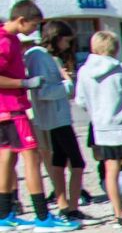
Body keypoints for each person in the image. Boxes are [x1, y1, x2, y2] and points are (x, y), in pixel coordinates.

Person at [0, 0, 79, 232]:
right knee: (32, 158)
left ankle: (4, 215)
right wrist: (24, 83)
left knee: (7, 158)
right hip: (12, 108)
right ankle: (43, 218)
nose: (36, 30)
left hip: (5, 109)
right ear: (21, 20)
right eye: (33, 25)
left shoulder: (11, 39)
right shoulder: (6, 41)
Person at [74, 31, 122, 226]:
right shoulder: (120, 68)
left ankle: (118, 213)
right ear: (115, 48)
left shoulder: (84, 71)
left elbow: (80, 100)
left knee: (111, 170)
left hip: (101, 128)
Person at [26, 20, 85, 221]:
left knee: (58, 162)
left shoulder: (41, 56)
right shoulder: (40, 57)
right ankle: (72, 208)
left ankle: (64, 206)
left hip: (55, 118)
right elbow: (43, 91)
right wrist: (67, 84)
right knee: (77, 163)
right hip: (56, 119)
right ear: (57, 38)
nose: (67, 46)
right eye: (66, 41)